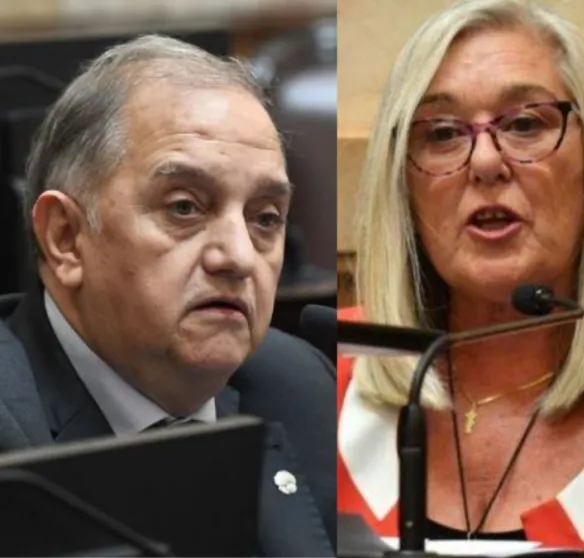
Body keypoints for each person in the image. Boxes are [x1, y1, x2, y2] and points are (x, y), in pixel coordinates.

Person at [336, 0, 584, 550]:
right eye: (442, 133)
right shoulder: (324, 371)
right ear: (402, 182)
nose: (485, 162)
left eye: (525, 124)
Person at [0, 35, 336, 556]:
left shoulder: (297, 384)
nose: (238, 257)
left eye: (266, 218)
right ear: (66, 237)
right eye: (184, 207)